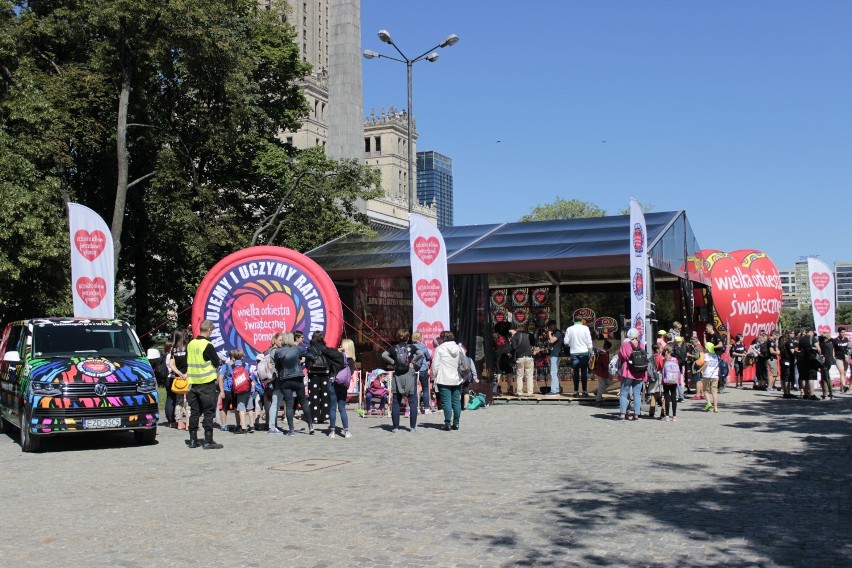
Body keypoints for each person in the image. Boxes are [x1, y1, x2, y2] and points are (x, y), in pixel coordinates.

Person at [185, 320, 223, 449]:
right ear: (208, 330)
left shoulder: (191, 344)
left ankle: (192, 440)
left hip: (193, 384)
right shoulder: (207, 345)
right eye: (211, 331)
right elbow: (217, 362)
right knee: (208, 411)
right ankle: (208, 440)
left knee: (194, 412)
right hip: (206, 383)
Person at [381, 329, 424, 433]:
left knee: (396, 401)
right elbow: (421, 354)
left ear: (397, 337)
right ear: (408, 337)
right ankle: (412, 427)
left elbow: (383, 355)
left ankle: (395, 427)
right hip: (409, 374)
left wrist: (393, 362)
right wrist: (413, 361)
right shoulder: (411, 347)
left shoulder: (394, 348)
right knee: (413, 401)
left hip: (398, 375)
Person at [274, 332, 315, 436]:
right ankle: (310, 426)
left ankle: (291, 430)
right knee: (304, 402)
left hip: (285, 379)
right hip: (297, 377)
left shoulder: (278, 352)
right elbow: (309, 355)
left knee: (289, 404)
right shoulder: (297, 349)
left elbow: (277, 367)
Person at [310, 333, 349, 438]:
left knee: (332, 407)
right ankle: (346, 430)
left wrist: (335, 350)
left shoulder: (330, 356)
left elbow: (325, 350)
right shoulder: (347, 358)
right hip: (343, 384)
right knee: (342, 408)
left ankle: (332, 431)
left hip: (332, 381)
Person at [433, 330, 465, 431]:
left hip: (443, 378)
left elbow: (435, 365)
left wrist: (435, 376)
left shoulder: (440, 348)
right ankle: (456, 423)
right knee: (456, 401)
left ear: (443, 338)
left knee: (446, 402)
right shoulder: (459, 348)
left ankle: (447, 423)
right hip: (457, 378)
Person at [618, 328, 646, 421]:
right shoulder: (641, 345)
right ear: (637, 335)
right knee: (637, 394)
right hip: (639, 371)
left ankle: (622, 414)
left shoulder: (625, 345)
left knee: (624, 393)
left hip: (628, 371)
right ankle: (636, 414)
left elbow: (621, 356)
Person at [565, 317, 594, 397]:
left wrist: (572, 344)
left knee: (576, 372)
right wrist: (591, 353)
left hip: (574, 353)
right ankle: (584, 391)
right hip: (584, 352)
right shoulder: (585, 328)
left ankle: (575, 391)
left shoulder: (569, 329)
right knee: (584, 372)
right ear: (581, 320)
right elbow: (589, 341)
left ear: (574, 320)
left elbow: (566, 342)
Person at [263, 333, 285, 433]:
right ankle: (272, 426)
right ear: (275, 340)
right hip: (276, 379)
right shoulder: (275, 351)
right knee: (275, 403)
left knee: (274, 403)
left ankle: (273, 425)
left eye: (282, 340)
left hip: (271, 380)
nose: (282, 342)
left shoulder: (268, 350)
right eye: (280, 340)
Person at [167, 330, 190, 428]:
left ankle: (180, 422)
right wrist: (186, 373)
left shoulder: (174, 350)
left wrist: (179, 373)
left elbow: (171, 364)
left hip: (178, 378)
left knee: (179, 400)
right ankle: (189, 423)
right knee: (189, 400)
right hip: (188, 378)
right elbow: (191, 362)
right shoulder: (188, 348)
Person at [229, 350, 253, 434]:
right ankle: (251, 424)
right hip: (248, 389)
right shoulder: (246, 365)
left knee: (241, 408)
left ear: (233, 358)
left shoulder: (231, 367)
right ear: (242, 357)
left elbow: (230, 379)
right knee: (249, 408)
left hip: (238, 390)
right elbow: (250, 377)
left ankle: (243, 427)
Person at [411, 331, 433, 414]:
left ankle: (415, 407)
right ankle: (426, 408)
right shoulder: (423, 347)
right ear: (420, 338)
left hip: (413, 370)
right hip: (423, 369)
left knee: (413, 389)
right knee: (425, 389)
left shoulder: (410, 346)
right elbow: (428, 357)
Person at [509, 326, 534, 396]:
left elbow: (514, 348)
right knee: (529, 376)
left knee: (520, 376)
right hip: (529, 357)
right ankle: (530, 392)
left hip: (520, 358)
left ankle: (519, 392)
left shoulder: (514, 337)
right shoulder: (527, 336)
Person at [217, 350, 237, 432]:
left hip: (236, 390)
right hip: (227, 389)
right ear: (233, 357)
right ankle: (224, 425)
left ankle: (238, 424)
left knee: (236, 408)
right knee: (224, 408)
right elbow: (220, 378)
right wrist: (222, 391)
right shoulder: (226, 366)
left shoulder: (239, 366)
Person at [660, 345, 682, 422]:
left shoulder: (664, 359)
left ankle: (667, 416)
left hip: (666, 380)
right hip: (674, 380)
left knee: (666, 398)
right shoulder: (675, 359)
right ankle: (674, 416)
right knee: (673, 397)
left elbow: (661, 368)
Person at [700, 342, 720, 413]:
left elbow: (706, 363)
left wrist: (700, 369)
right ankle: (716, 407)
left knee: (705, 390)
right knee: (714, 391)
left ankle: (708, 403)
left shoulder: (706, 355)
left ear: (707, 348)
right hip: (715, 375)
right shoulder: (715, 355)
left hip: (707, 375)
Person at [545, 320, 563, 396]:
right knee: (554, 372)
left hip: (555, 355)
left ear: (552, 325)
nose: (549, 328)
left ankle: (554, 390)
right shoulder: (555, 333)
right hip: (553, 354)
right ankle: (557, 388)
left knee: (553, 372)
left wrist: (549, 333)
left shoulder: (558, 333)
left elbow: (552, 341)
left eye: (549, 327)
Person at [647, 343, 664, 419]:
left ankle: (651, 412)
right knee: (663, 395)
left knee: (653, 394)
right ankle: (663, 413)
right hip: (659, 376)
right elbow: (662, 367)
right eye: (661, 348)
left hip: (653, 377)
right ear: (657, 349)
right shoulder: (660, 357)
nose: (662, 349)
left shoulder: (651, 357)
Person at [818, 330, 835, 400]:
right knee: (825, 377)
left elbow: (824, 353)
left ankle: (830, 393)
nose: (823, 334)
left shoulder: (825, 343)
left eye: (825, 333)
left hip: (826, 361)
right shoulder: (830, 342)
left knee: (826, 377)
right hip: (829, 360)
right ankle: (825, 393)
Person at [833, 328, 850, 393]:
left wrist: (848, 356)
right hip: (838, 358)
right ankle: (844, 386)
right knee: (841, 372)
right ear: (839, 332)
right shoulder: (835, 340)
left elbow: (848, 348)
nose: (843, 333)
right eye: (842, 332)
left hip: (845, 358)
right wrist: (833, 356)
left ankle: (842, 387)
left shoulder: (846, 339)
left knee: (844, 373)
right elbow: (833, 349)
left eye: (844, 332)